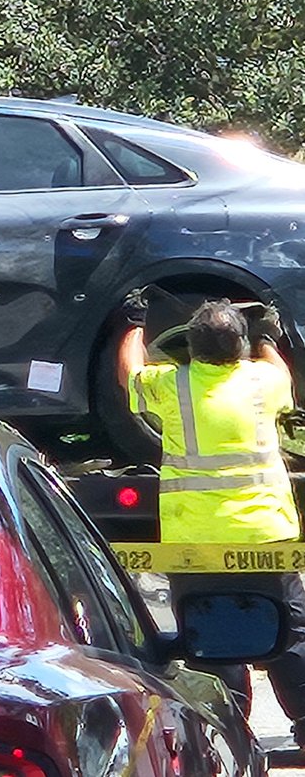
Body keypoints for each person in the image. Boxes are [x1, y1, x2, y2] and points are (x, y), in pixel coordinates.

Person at [118, 293, 305, 739]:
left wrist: (131, 323)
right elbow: (279, 368)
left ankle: (227, 730)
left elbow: (129, 375)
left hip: (195, 542)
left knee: (211, 634)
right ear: (238, 347)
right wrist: (265, 336)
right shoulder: (264, 382)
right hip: (266, 538)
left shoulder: (173, 384)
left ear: (192, 346)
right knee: (291, 631)